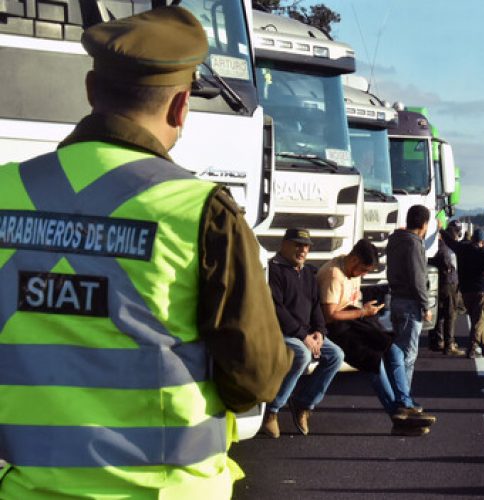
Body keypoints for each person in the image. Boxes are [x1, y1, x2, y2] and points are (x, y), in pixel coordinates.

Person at [0, 7, 292, 498]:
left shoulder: (7, 191)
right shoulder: (201, 211)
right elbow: (256, 378)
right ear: (181, 107)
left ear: (91, 90)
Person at [317, 239, 435, 436]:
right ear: (353, 259)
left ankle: (405, 404)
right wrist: (363, 312)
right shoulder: (333, 275)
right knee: (374, 360)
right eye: (363, 270)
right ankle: (397, 415)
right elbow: (329, 315)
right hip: (337, 327)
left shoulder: (350, 269)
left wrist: (366, 311)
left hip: (355, 320)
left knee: (394, 349)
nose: (363, 275)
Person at [261, 228, 345, 438]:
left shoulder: (309, 272)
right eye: (297, 244)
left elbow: (316, 305)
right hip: (281, 333)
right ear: (284, 244)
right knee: (302, 354)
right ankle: (272, 410)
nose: (302, 250)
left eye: (306, 246)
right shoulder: (274, 270)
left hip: (307, 333)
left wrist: (319, 332)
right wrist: (303, 335)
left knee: (336, 355)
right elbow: (276, 308)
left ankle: (304, 403)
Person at [385, 205, 438, 425]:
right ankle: (404, 401)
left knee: (400, 351)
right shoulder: (414, 244)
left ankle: (403, 398)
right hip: (410, 305)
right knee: (408, 355)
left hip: (396, 300)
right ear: (424, 224)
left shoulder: (395, 240)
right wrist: (425, 305)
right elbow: (418, 278)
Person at [442, 228, 484, 358]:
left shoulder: (462, 250)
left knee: (477, 320)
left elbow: (449, 241)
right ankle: (472, 348)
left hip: (466, 291)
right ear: (483, 242)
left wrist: (441, 230)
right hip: (482, 290)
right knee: (479, 321)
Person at [429, 224, 467, 356]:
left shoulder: (436, 246)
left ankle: (439, 341)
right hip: (450, 283)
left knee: (439, 313)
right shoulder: (448, 248)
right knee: (450, 314)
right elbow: (449, 264)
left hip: (439, 283)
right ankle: (449, 344)